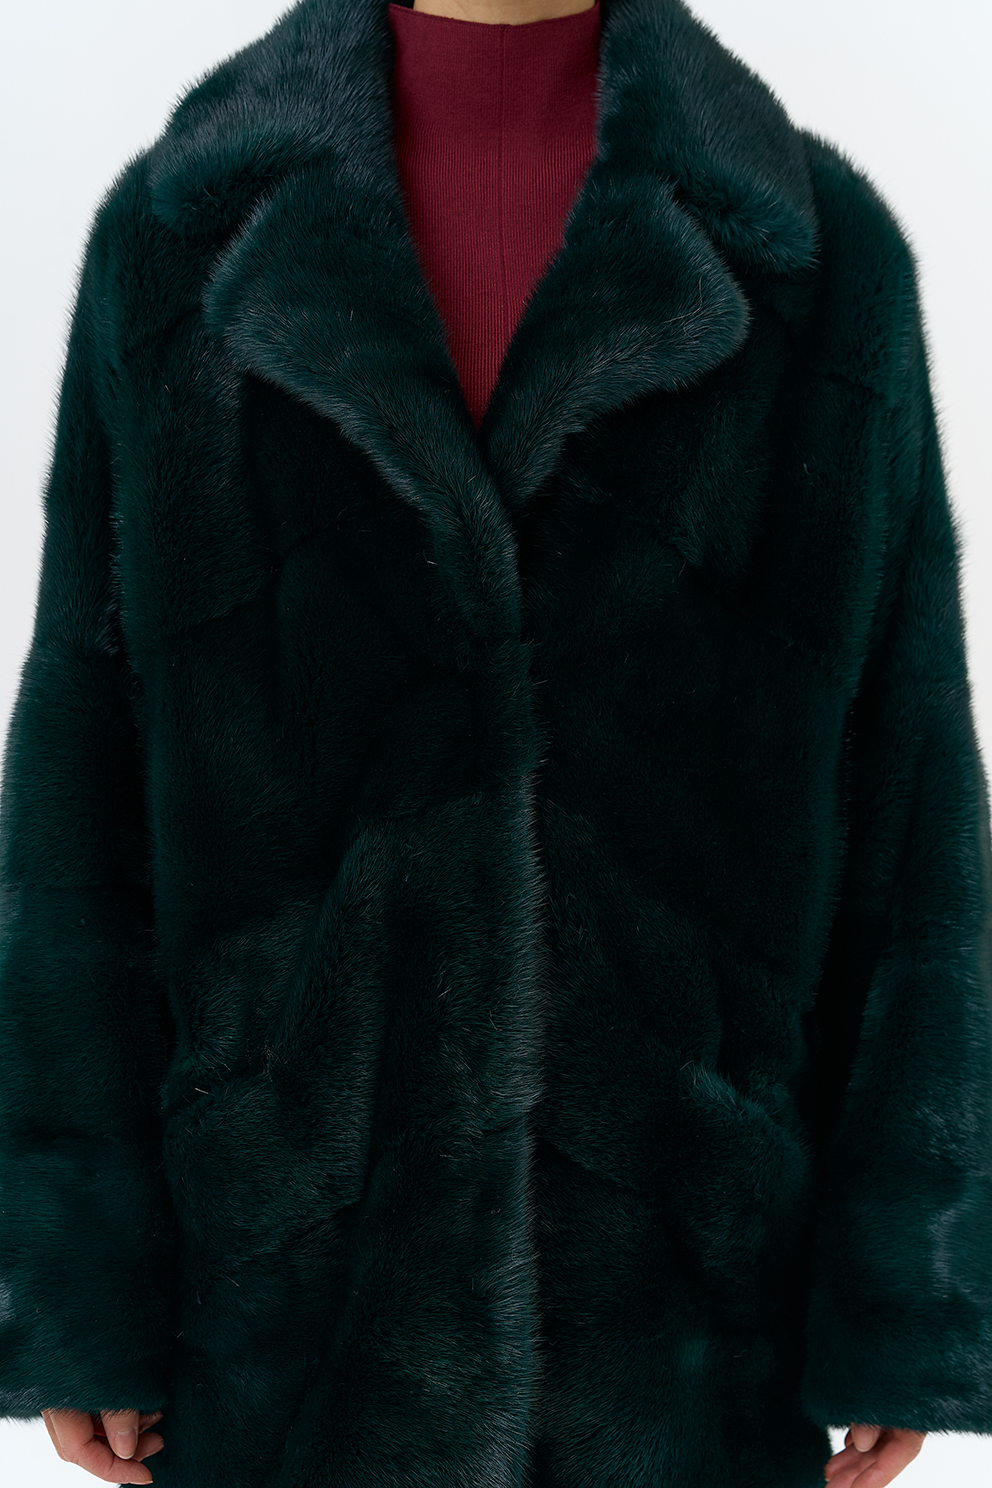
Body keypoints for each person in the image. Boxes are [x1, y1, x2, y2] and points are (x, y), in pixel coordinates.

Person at [3, 0, 990, 1484]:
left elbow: (911, 799)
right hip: (292, 1319)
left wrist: (907, 1291)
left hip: (686, 1324)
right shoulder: (182, 245)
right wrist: (85, 1294)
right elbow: (80, 793)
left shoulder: (814, 257)